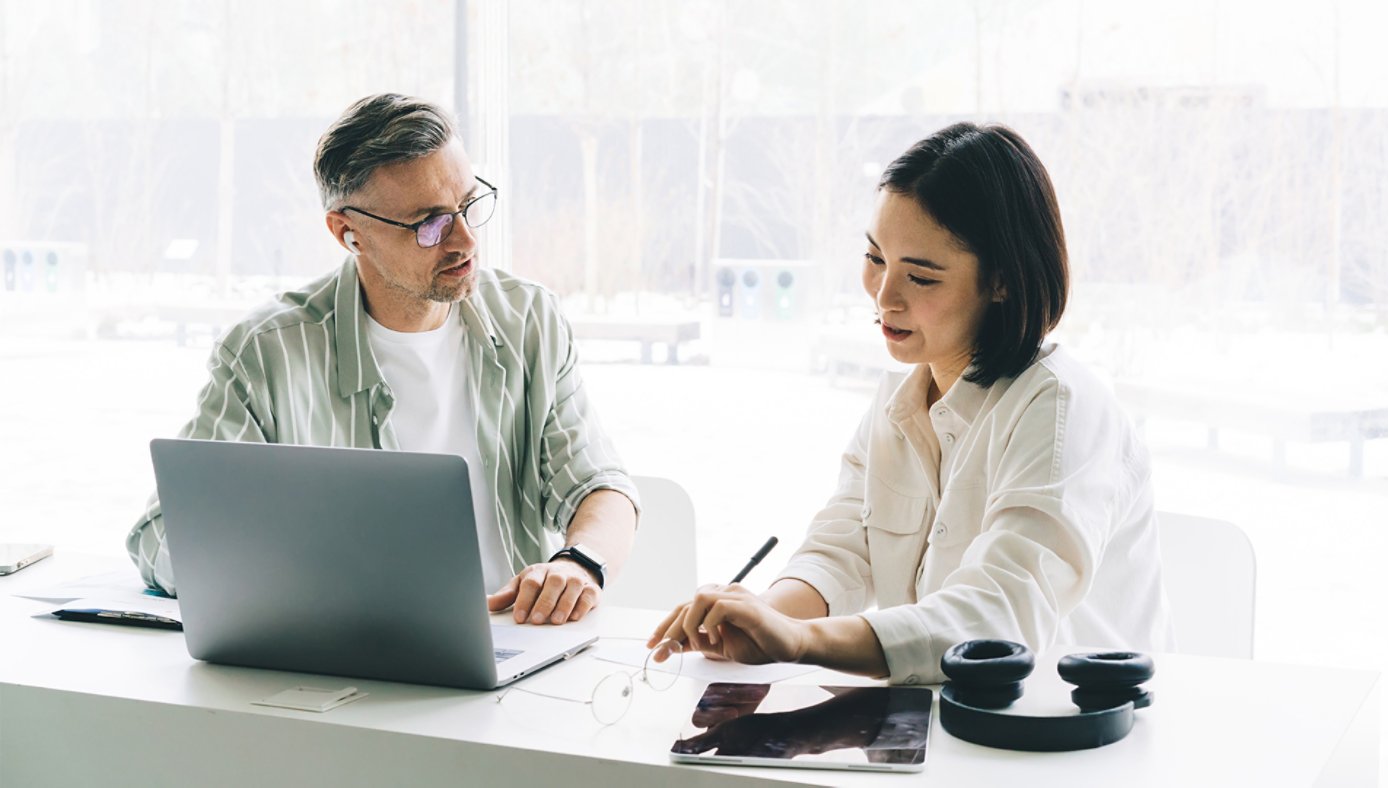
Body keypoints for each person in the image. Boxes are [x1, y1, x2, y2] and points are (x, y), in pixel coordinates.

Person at [651, 123, 1172, 683]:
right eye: (875, 258)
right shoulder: (899, 399)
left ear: (1002, 282)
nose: (883, 296)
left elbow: (995, 623)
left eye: (920, 277)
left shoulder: (1062, 408)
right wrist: (757, 617)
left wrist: (799, 641)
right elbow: (843, 548)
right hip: (946, 720)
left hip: (1074, 738)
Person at [127, 93, 638, 626]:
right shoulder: (267, 353)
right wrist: (297, 580)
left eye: (468, 205)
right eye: (430, 224)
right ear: (348, 232)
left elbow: (600, 486)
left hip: (511, 644)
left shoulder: (528, 319)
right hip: (344, 647)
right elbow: (161, 534)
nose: (465, 240)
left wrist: (580, 563)